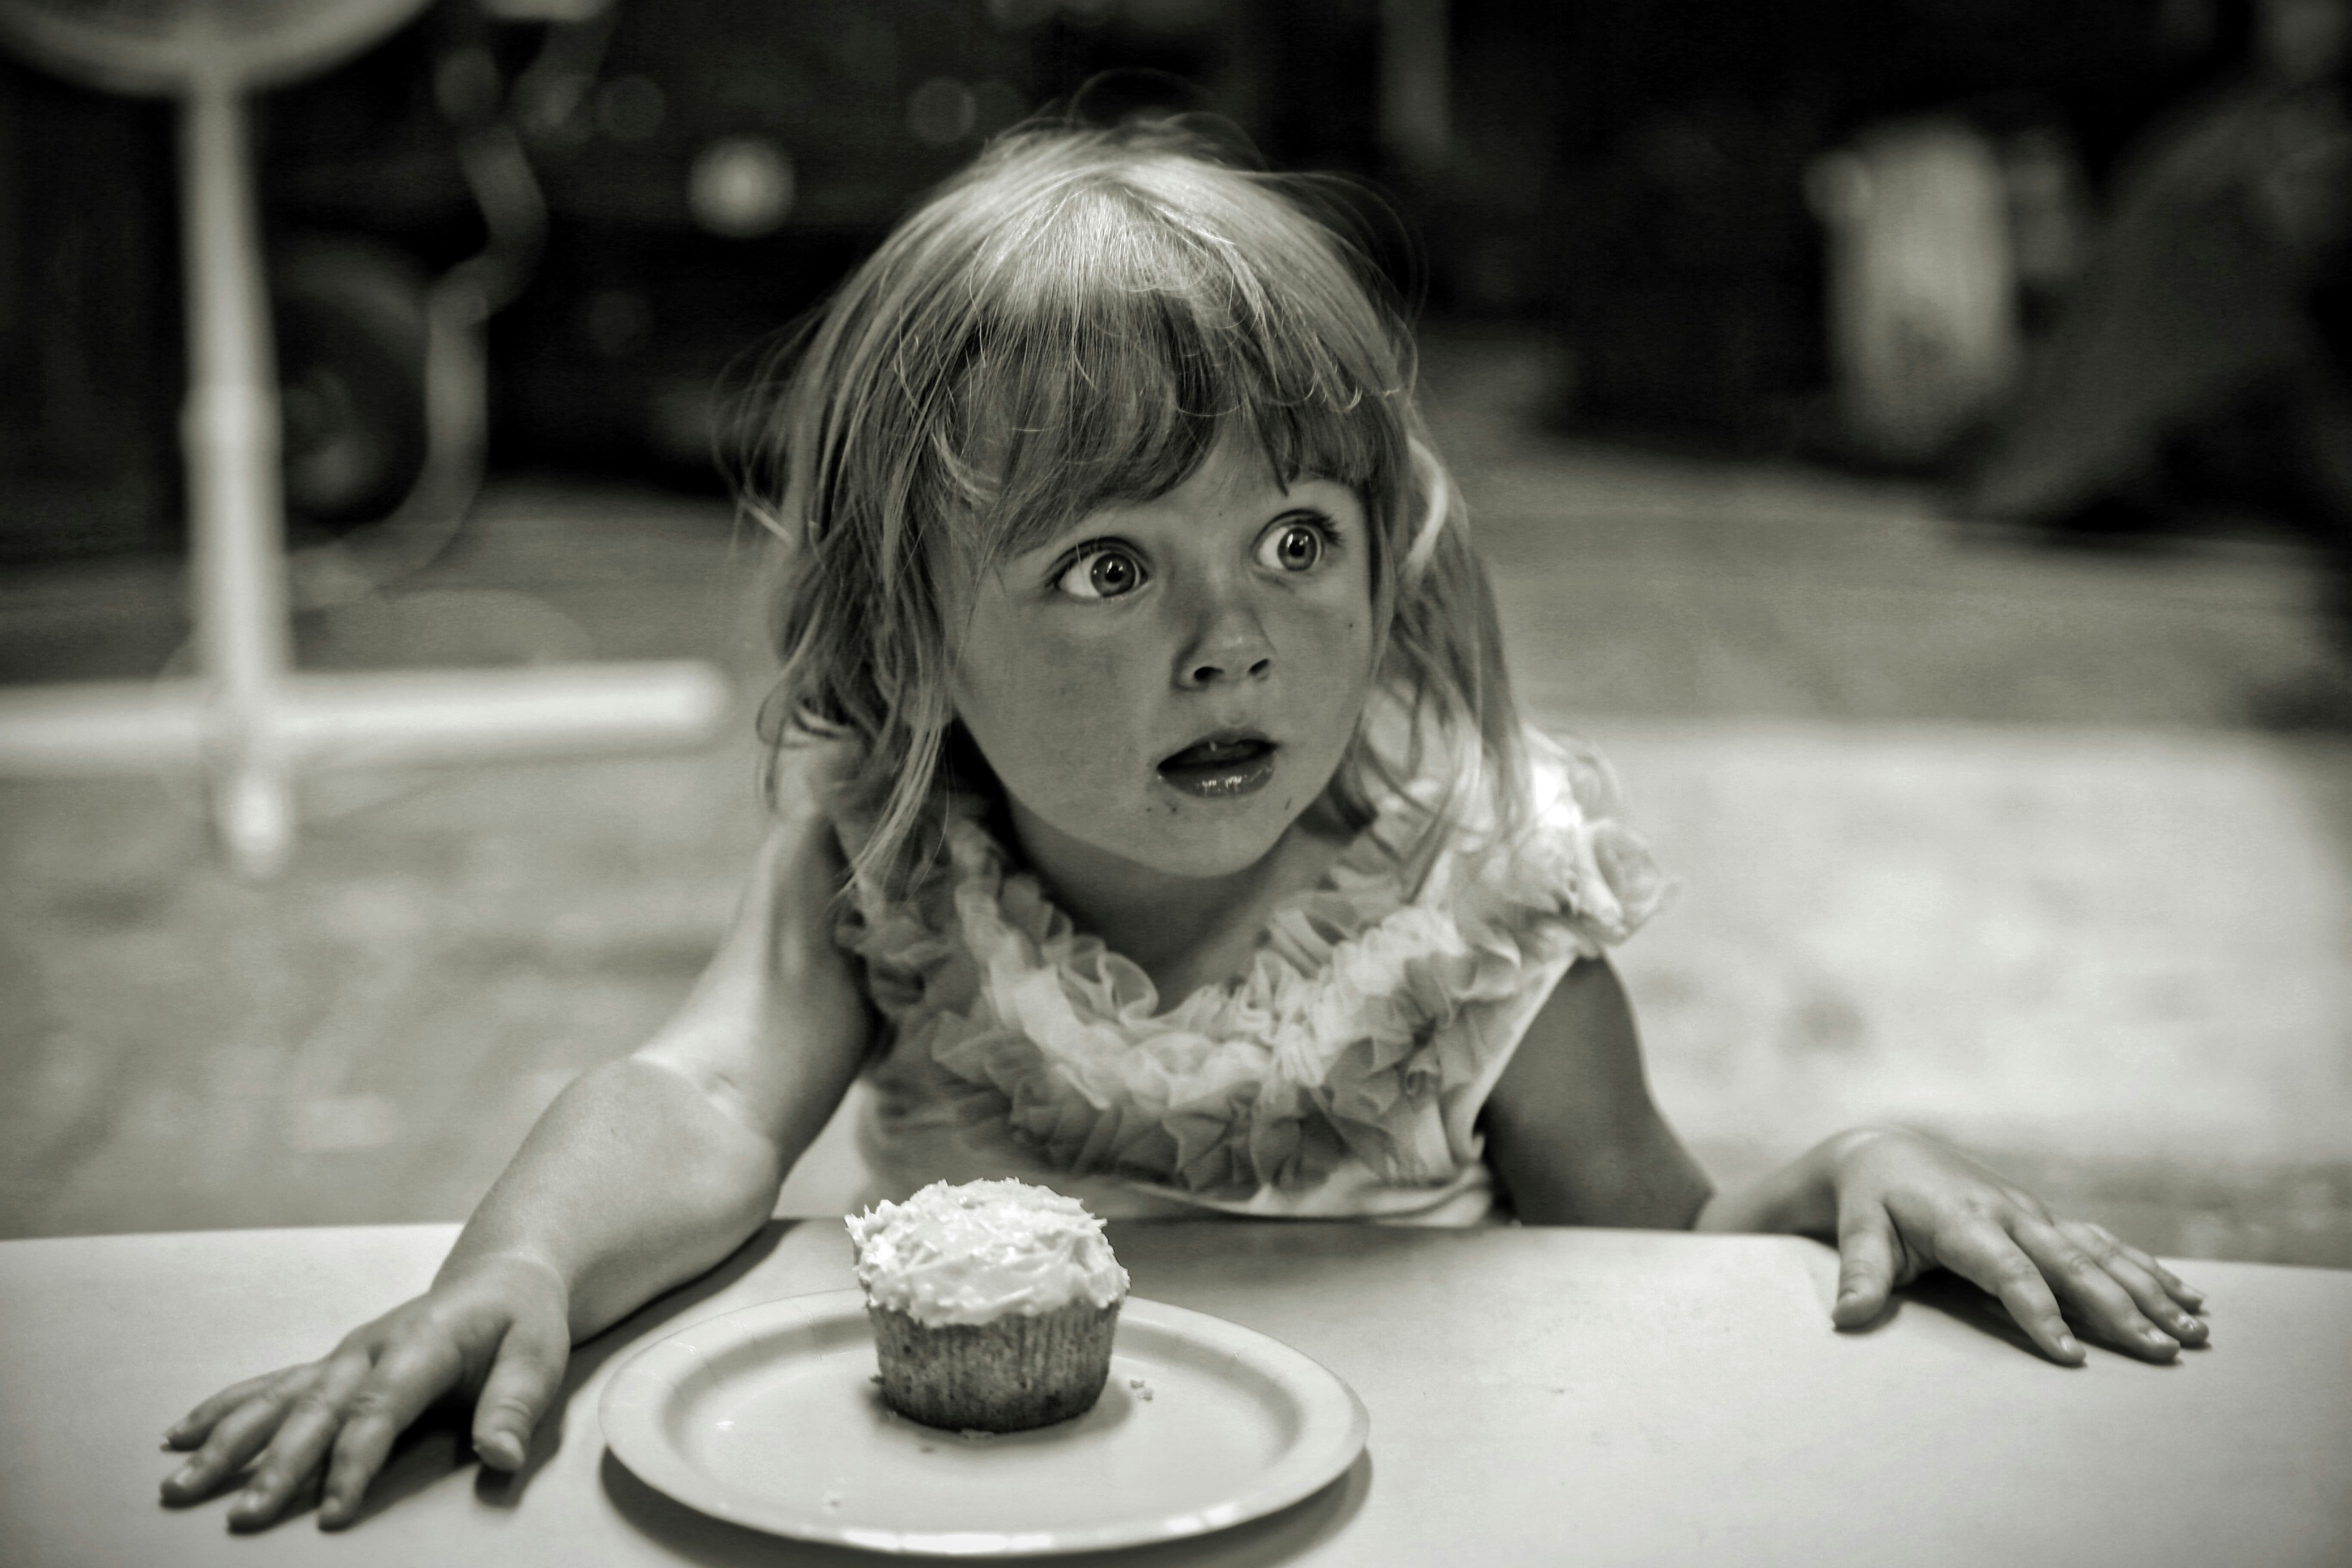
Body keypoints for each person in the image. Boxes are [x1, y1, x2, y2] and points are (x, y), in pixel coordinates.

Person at [159, 123, 2210, 1533]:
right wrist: (513, 1264)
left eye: (1292, 541)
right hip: (973, 1523)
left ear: (1388, 557)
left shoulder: (1472, 906)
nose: (1231, 641)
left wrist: (1843, 1170)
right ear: (909, 632)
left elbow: (1646, 1271)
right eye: (1105, 571)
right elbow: (699, 1097)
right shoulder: (896, 859)